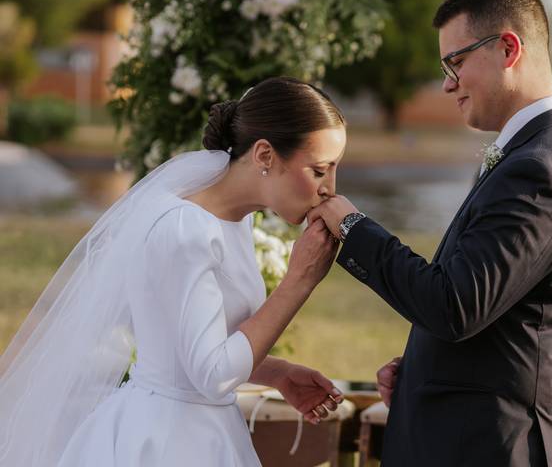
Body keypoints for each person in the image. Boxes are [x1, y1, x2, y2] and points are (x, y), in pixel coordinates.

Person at [309, 0, 552, 466]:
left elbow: (454, 306)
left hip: (495, 448)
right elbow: (499, 308)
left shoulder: (537, 169)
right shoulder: (541, 150)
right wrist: (425, 364)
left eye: (457, 62)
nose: (448, 83)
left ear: (508, 49)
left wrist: (353, 228)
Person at [0, 77, 346, 467]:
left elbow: (192, 347)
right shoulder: (186, 229)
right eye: (320, 170)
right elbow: (211, 375)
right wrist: (299, 280)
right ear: (265, 154)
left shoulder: (236, 220)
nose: (330, 189)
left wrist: (277, 373)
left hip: (207, 430)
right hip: (166, 441)